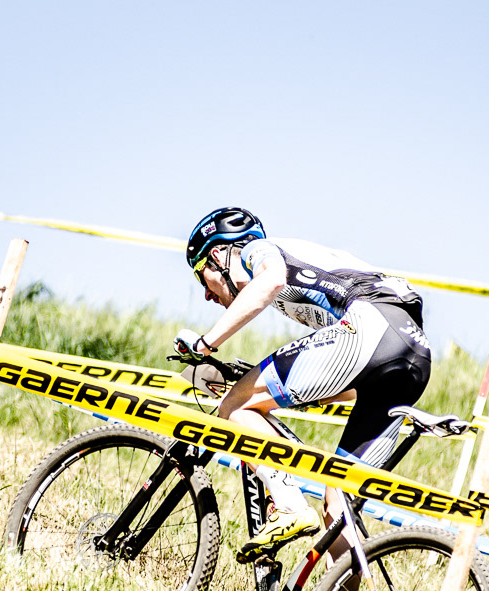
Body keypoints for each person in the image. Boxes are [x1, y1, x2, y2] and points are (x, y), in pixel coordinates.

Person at [175, 206, 432, 564]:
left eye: (201, 275)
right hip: (413, 353)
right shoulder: (309, 273)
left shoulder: (256, 251)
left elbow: (270, 282)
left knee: (234, 405)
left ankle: (289, 505)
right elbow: (350, 375)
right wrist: (276, 390)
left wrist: (207, 343)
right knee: (338, 504)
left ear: (217, 255)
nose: (206, 293)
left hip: (371, 326)